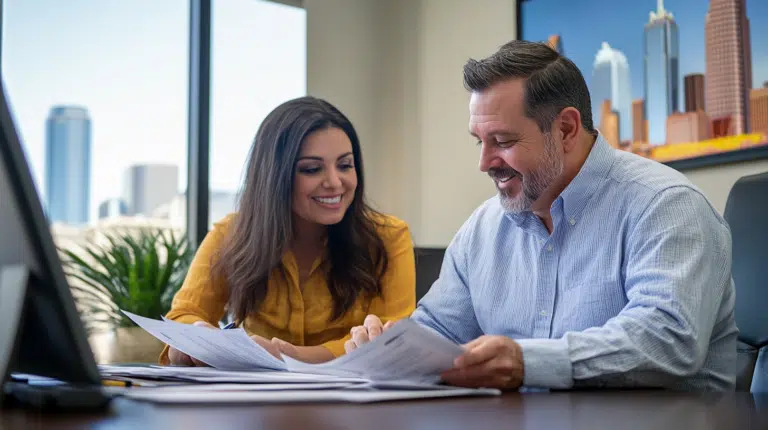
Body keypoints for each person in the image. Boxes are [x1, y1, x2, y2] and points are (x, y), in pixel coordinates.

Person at [345, 40, 738, 391]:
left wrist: (526, 362)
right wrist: (393, 345)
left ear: (566, 129)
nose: (484, 163)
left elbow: (668, 339)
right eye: (479, 142)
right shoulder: (481, 230)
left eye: (503, 141)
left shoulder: (665, 204)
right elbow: (439, 333)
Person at [160, 96, 416, 366]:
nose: (334, 182)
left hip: (352, 402)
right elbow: (184, 314)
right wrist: (194, 338)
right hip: (257, 401)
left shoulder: (389, 237)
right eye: (312, 169)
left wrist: (288, 356)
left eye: (345, 165)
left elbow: (391, 339)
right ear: (275, 175)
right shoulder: (231, 234)